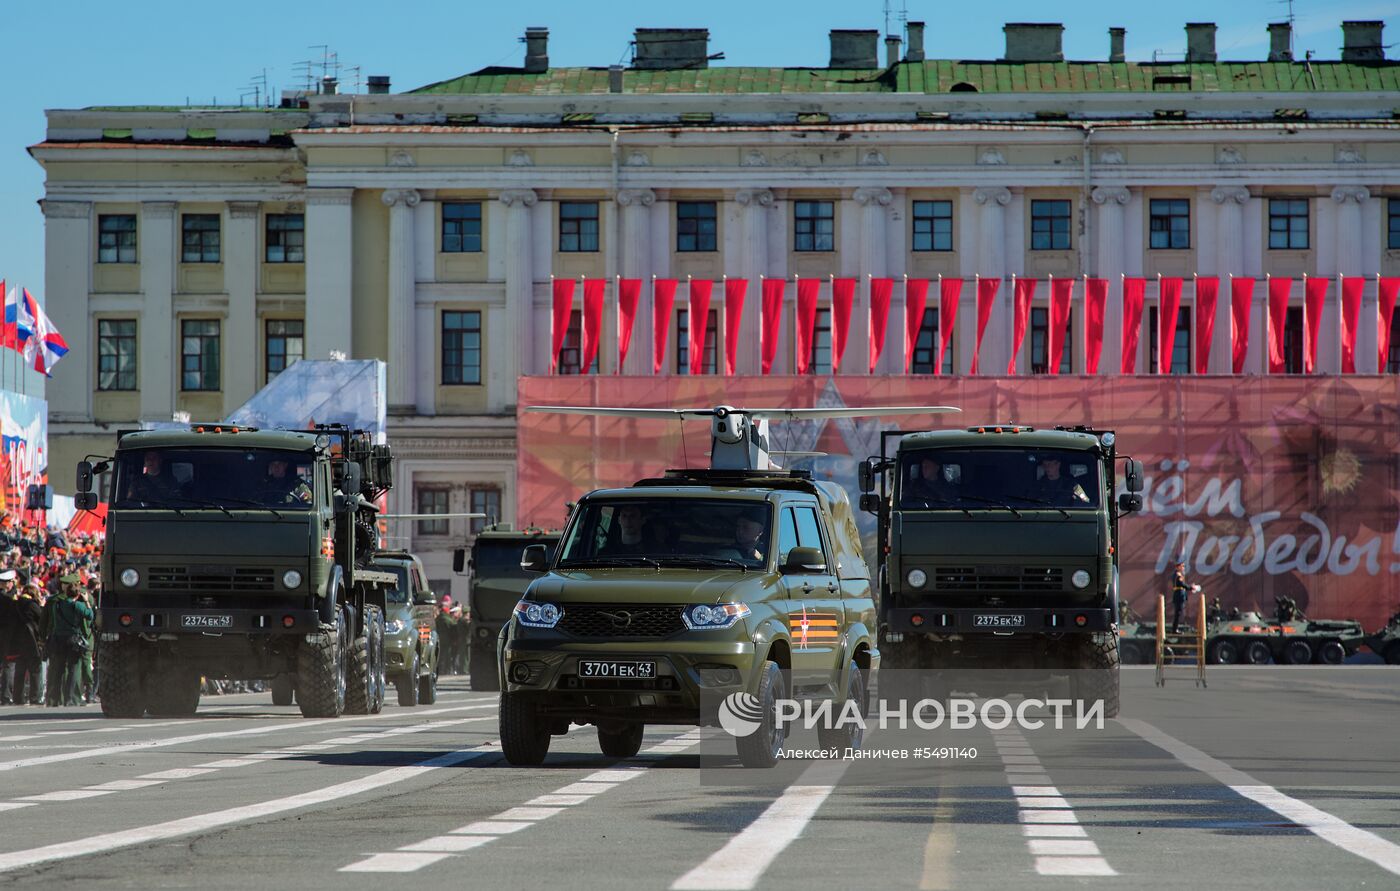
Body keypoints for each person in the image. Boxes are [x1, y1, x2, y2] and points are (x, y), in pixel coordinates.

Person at [46, 574, 93, 707]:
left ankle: (54, 699)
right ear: (77, 594)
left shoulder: (57, 604)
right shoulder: (78, 605)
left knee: (58, 669)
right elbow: (90, 615)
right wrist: (87, 602)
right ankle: (70, 698)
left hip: (58, 638)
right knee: (73, 669)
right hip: (73, 639)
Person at [11, 582, 45, 705]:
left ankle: (18, 698)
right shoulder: (32, 605)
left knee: (20, 670)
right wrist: (42, 606)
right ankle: (35, 697)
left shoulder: (15, 604)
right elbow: (42, 618)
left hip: (18, 640)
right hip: (32, 640)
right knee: (35, 670)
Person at [1170, 562, 1190, 633]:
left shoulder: (1178, 574)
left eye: (1183, 566)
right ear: (1178, 567)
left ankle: (1175, 629)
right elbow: (1181, 584)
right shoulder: (1177, 574)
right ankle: (1175, 629)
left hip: (1179, 595)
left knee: (1178, 613)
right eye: (1182, 566)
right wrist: (1190, 588)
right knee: (1178, 613)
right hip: (1178, 596)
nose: (1183, 568)